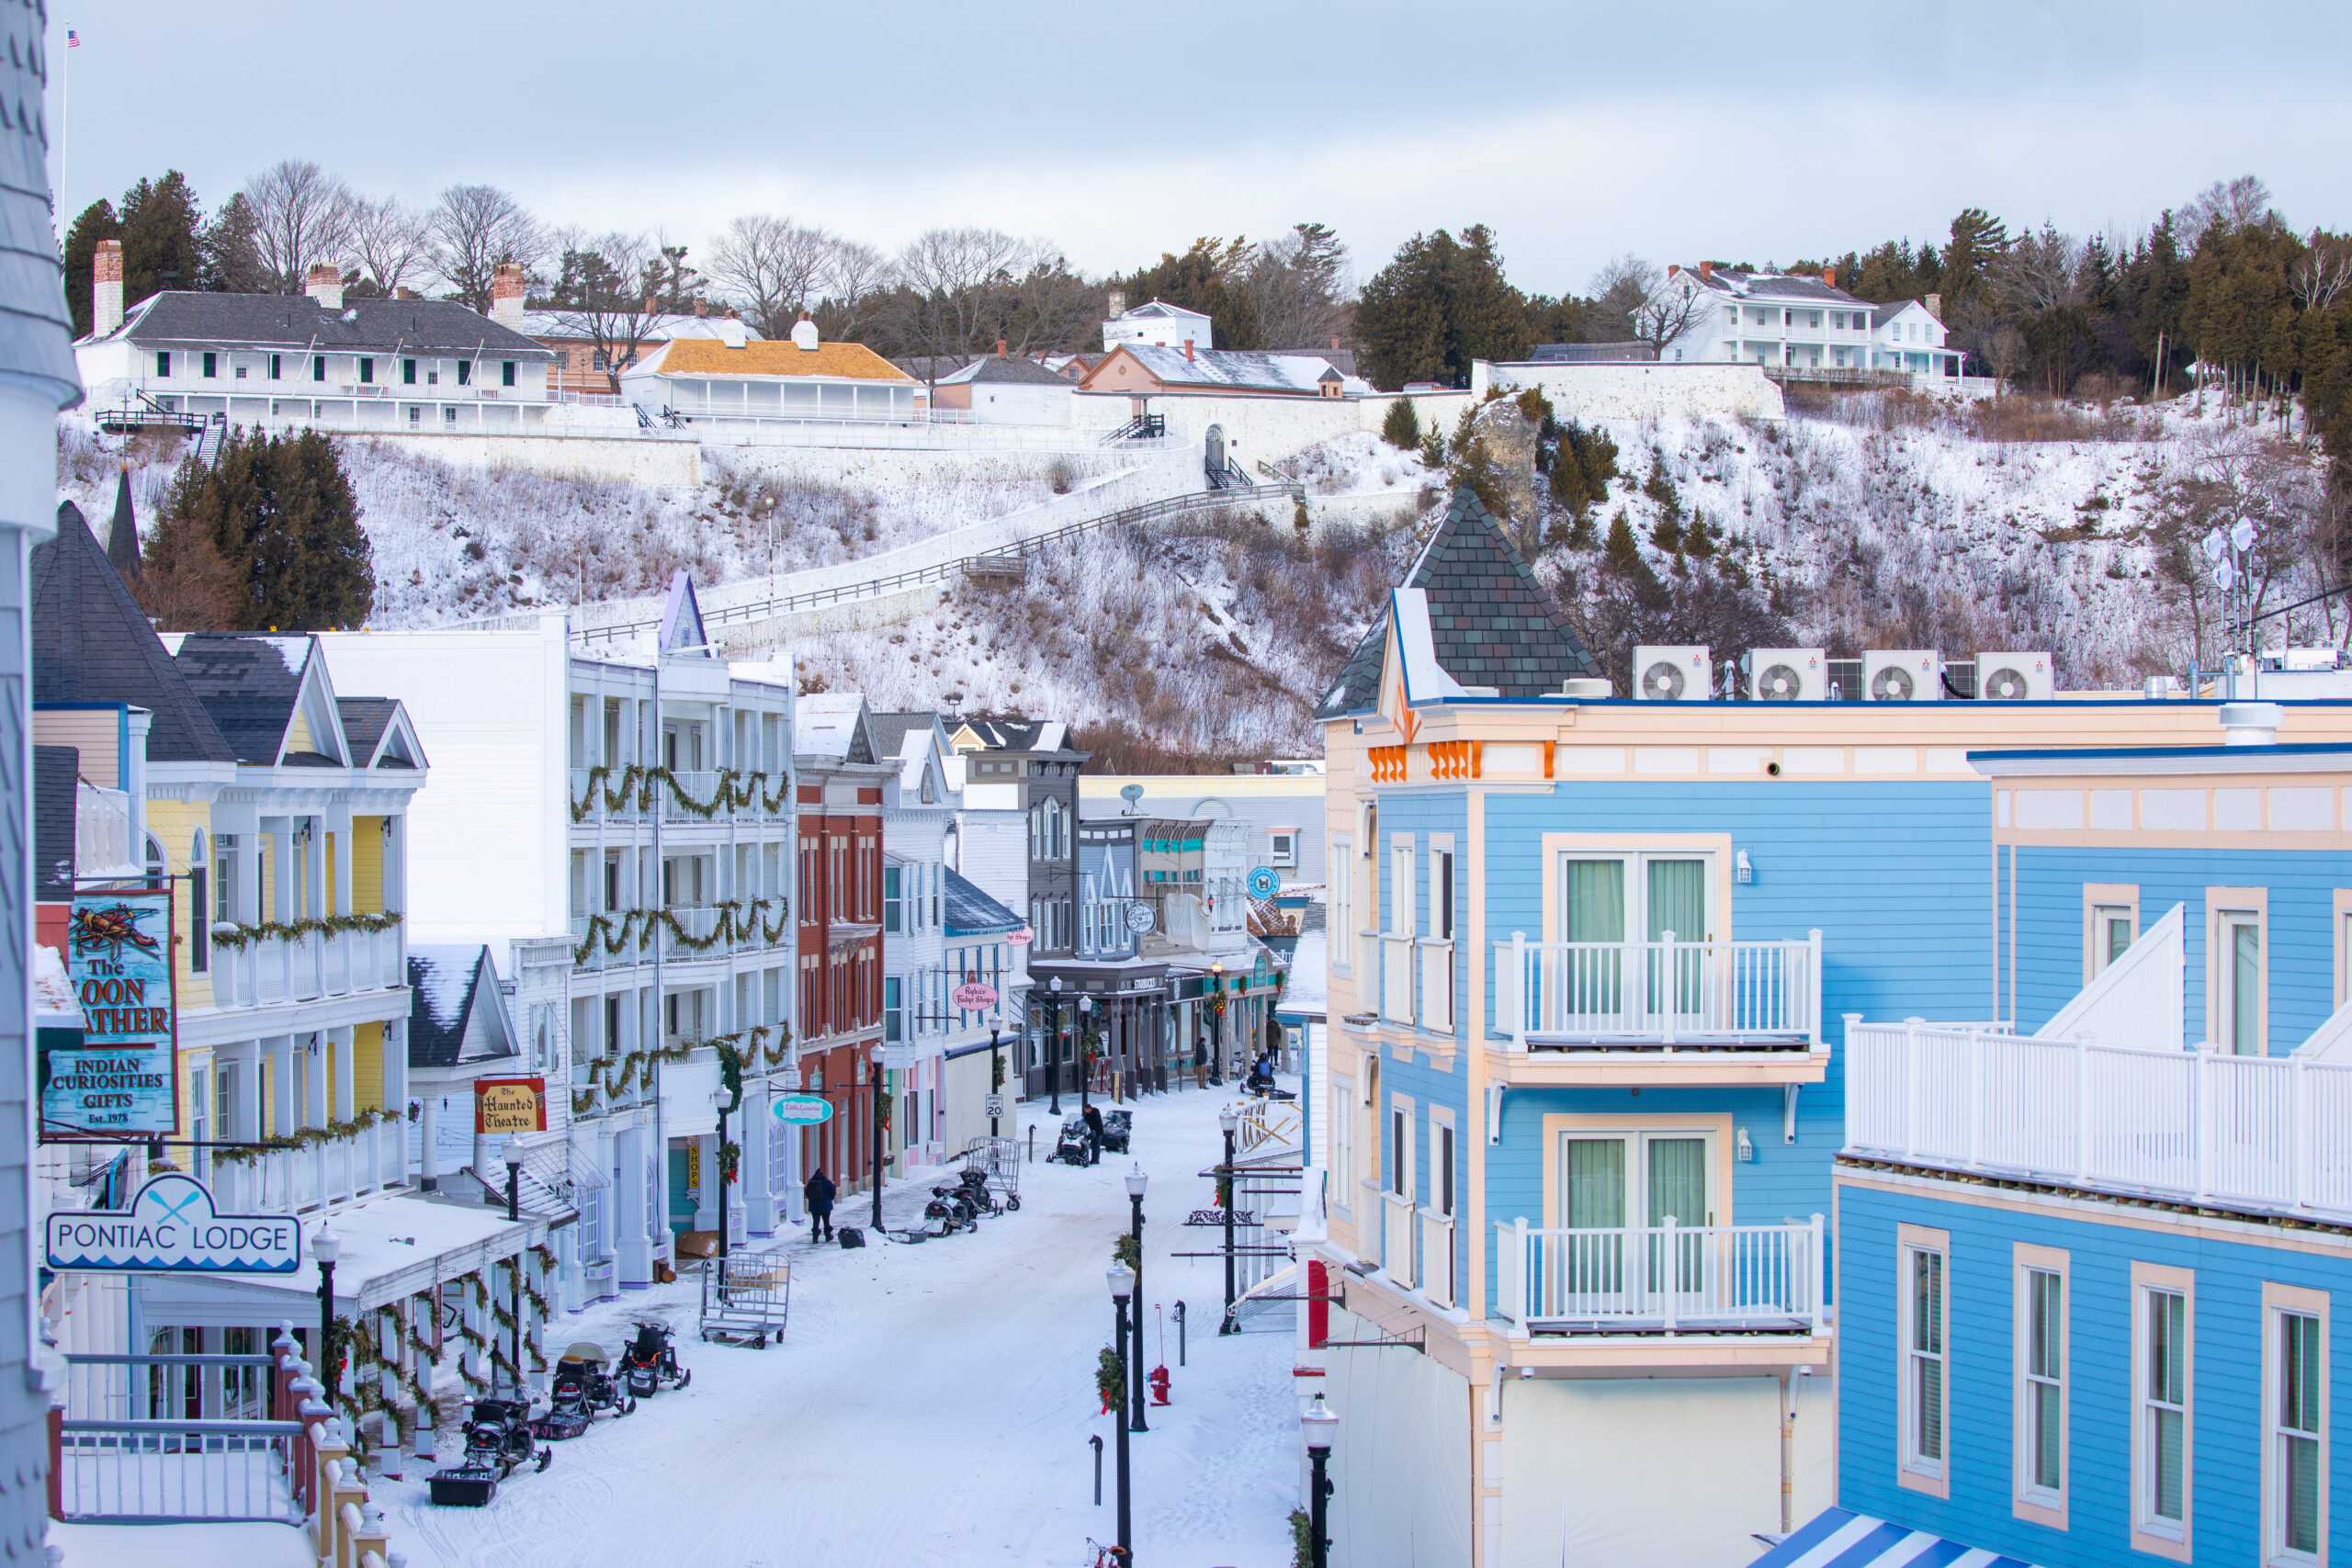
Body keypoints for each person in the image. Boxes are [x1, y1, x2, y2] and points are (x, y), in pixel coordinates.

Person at [804, 1166, 836, 1243]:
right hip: (826, 1206)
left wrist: (812, 1200)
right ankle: (828, 1236)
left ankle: (815, 1238)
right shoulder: (827, 1182)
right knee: (826, 1221)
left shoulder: (811, 1182)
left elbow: (807, 1192)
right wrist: (829, 1199)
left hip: (814, 1206)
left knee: (815, 1221)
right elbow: (833, 1191)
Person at [1082, 1101, 1104, 1167]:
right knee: (1092, 1146)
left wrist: (1095, 1131)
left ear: (1090, 1108)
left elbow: (1099, 1125)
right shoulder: (1087, 1115)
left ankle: (1096, 1160)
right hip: (1092, 1132)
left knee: (1096, 1146)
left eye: (1087, 1110)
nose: (1086, 1111)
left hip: (1098, 1133)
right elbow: (1084, 1121)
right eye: (1085, 1110)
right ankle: (1093, 1159)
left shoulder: (1096, 1114)